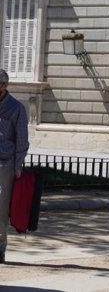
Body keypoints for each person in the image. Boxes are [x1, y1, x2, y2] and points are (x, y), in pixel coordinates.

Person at [0, 69, 29, 264]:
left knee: (1, 207)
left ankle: (0, 248)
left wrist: (18, 165)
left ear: (5, 85)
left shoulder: (16, 108)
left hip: (6, 162)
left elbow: (22, 139)